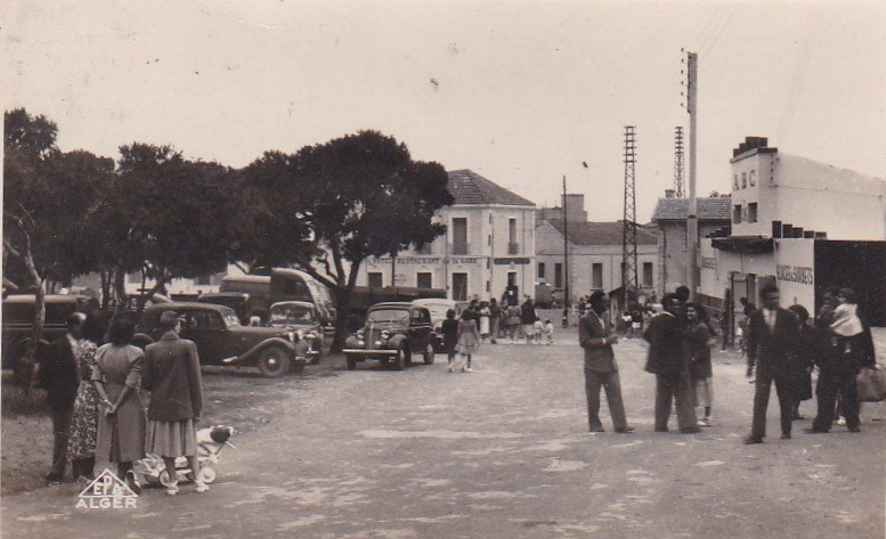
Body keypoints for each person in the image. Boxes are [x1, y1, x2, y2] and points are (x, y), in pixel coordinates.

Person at [142, 311, 207, 495]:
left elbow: (146, 382)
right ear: (176, 326)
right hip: (183, 405)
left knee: (166, 446)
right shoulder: (188, 346)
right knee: (189, 445)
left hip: (160, 406)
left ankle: (172, 482)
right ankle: (198, 481)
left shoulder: (151, 349)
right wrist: (198, 407)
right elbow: (196, 379)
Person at [807, 288, 876, 434]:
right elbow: (866, 341)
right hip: (848, 362)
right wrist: (868, 362)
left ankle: (823, 424)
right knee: (849, 394)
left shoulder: (833, 314)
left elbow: (820, 335)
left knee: (827, 393)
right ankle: (852, 424)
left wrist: (816, 358)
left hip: (832, 362)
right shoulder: (857, 316)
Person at [93, 317, 147, 493]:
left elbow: (96, 379)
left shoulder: (102, 351)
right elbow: (130, 384)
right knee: (127, 437)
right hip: (128, 400)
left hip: (108, 394)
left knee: (113, 437)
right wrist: (117, 404)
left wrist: (106, 400)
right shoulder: (135, 353)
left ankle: (123, 473)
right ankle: (126, 474)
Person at [34, 313, 86, 484]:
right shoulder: (56, 346)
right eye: (81, 325)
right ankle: (57, 470)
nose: (84, 329)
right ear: (72, 326)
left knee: (81, 435)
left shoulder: (85, 346)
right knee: (62, 434)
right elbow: (45, 373)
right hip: (63, 398)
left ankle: (79, 471)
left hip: (83, 398)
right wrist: (54, 392)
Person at [744, 284, 799, 444]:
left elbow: (796, 341)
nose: (775, 301)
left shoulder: (788, 316)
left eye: (777, 298)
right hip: (764, 363)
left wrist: (792, 360)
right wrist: (750, 363)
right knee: (760, 399)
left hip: (783, 363)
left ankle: (786, 430)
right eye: (771, 298)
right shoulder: (755, 316)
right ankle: (757, 434)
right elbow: (752, 342)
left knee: (785, 397)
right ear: (763, 300)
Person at [644, 294, 700, 433]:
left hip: (660, 365)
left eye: (678, 304)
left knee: (663, 395)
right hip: (675, 364)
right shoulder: (674, 321)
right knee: (682, 394)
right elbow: (680, 339)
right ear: (667, 305)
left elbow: (646, 335)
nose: (677, 307)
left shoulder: (656, 319)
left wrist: (658, 350)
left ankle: (660, 425)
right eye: (674, 305)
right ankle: (687, 425)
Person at [579, 291, 633, 433]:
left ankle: (621, 425)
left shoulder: (605, 316)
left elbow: (608, 332)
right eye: (604, 302)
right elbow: (584, 341)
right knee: (593, 398)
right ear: (596, 303)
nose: (606, 305)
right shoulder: (585, 319)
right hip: (593, 364)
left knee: (615, 393)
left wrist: (612, 336)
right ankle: (595, 424)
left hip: (609, 362)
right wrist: (605, 341)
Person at [67, 315, 100, 485]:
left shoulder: (80, 345)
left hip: (80, 390)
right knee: (89, 432)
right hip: (91, 392)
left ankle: (77, 471)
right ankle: (88, 472)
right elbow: (93, 371)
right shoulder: (93, 347)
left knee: (78, 432)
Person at [684, 303, 714, 427]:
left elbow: (705, 347)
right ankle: (697, 416)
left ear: (698, 313)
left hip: (701, 363)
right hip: (692, 362)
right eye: (688, 311)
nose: (689, 313)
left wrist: (695, 358)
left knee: (704, 389)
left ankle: (706, 417)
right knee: (695, 389)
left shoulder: (702, 327)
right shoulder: (691, 326)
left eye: (692, 311)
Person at [787, 305, 815, 420]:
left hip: (803, 362)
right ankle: (790, 410)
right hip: (788, 362)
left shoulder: (810, 330)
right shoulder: (785, 329)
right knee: (789, 387)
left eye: (795, 314)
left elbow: (812, 348)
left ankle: (795, 410)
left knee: (800, 388)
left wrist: (811, 364)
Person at [454, 309, 480, 373]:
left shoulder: (461, 321)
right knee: (469, 353)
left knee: (462, 353)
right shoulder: (473, 321)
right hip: (470, 337)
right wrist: (477, 339)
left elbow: (459, 331)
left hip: (463, 337)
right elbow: (475, 331)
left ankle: (462, 367)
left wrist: (458, 337)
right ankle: (469, 366)